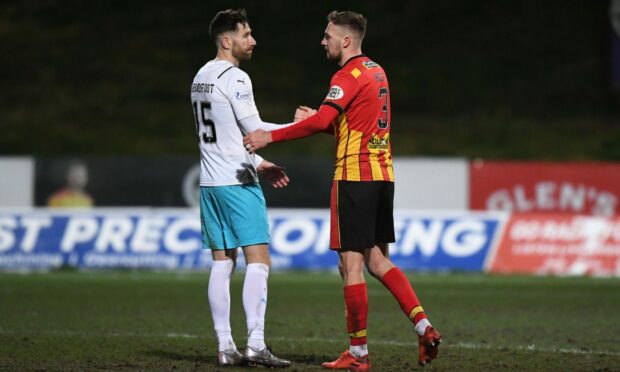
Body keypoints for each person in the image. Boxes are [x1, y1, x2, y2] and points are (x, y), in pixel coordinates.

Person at [243, 10, 442, 370]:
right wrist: (317, 123)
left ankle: (358, 354)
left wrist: (271, 135)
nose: (324, 41)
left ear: (346, 40)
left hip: (354, 177)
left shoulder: (347, 75)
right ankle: (424, 326)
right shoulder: (377, 71)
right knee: (378, 261)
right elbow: (347, 126)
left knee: (349, 266)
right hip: (382, 175)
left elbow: (324, 119)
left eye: (328, 35)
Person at [191, 8, 293, 368]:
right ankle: (256, 344)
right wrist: (302, 124)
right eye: (245, 34)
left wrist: (259, 163)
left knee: (222, 263)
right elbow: (255, 130)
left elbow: (227, 137)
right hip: (238, 184)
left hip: (210, 184)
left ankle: (225, 347)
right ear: (226, 40)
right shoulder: (236, 77)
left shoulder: (200, 76)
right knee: (259, 260)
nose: (252, 40)